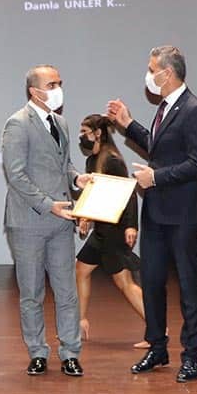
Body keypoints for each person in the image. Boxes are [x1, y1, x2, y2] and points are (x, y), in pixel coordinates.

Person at [107, 45, 197, 382]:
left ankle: (192, 355)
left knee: (188, 285)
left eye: (153, 69)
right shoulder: (165, 108)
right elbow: (159, 147)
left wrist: (156, 177)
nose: (149, 75)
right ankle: (157, 347)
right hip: (156, 213)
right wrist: (128, 124)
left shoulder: (195, 109)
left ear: (168, 73)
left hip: (184, 214)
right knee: (151, 282)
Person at [2, 65, 91, 377]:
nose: (57, 89)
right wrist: (47, 204)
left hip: (61, 221)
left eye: (59, 83)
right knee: (31, 293)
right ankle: (37, 351)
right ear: (34, 91)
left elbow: (63, 165)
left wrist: (78, 179)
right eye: (51, 84)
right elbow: (16, 175)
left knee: (66, 291)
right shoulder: (17, 124)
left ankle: (70, 353)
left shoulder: (61, 122)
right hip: (28, 222)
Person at [73, 114, 144, 347]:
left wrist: (132, 225)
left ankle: (157, 329)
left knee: (124, 283)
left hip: (115, 230)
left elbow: (129, 192)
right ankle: (80, 322)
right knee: (81, 269)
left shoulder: (111, 160)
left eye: (85, 132)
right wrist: (85, 216)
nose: (81, 136)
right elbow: (95, 195)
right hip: (101, 230)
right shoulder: (91, 161)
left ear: (98, 133)